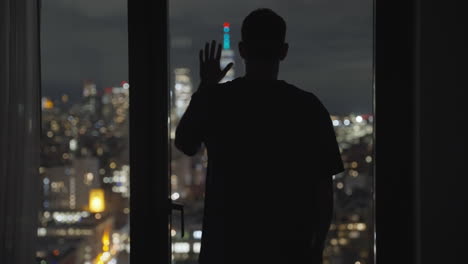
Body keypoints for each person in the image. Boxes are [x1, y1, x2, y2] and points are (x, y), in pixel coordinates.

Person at [175, 8, 344, 264]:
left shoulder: (219, 102)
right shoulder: (307, 107)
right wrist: (316, 249)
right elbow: (323, 192)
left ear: (242, 50)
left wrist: (206, 87)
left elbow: (185, 143)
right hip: (287, 248)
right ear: (284, 51)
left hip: (227, 248)